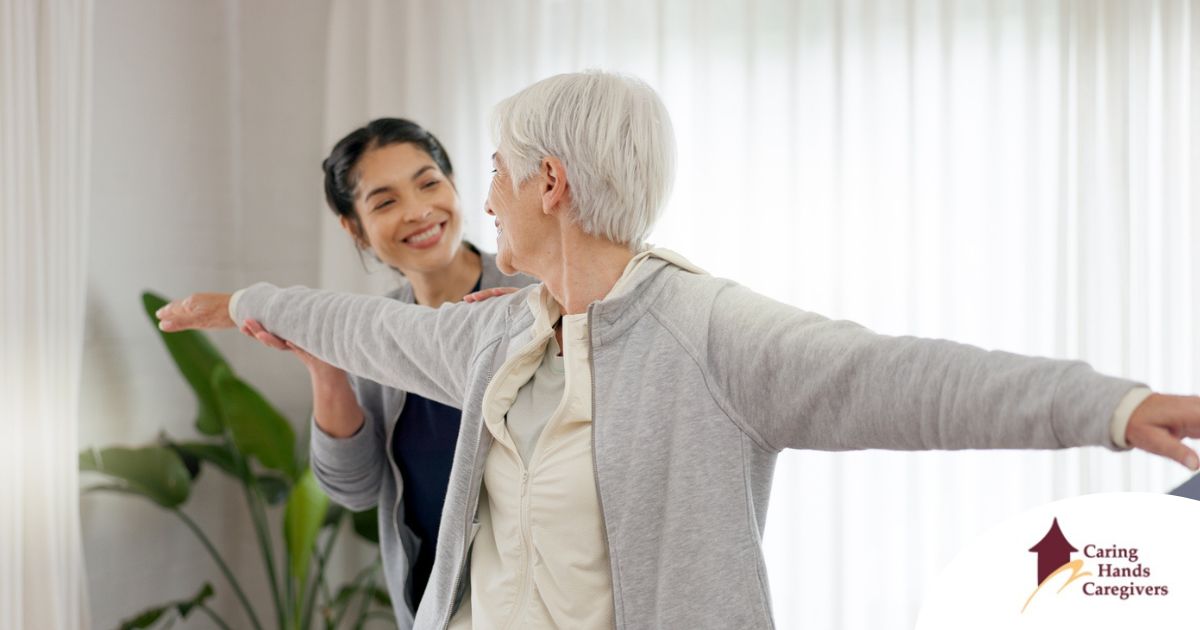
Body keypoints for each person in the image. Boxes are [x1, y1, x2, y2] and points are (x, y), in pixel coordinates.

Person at [157, 71, 1200, 630]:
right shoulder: (497, 332)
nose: (478, 201)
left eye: (492, 174)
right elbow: (363, 325)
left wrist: (1110, 408)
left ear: (550, 184)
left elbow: (906, 378)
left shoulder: (710, 332)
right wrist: (253, 302)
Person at [249, 118, 533, 627]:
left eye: (429, 183)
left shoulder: (533, 296)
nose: (419, 211)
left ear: (453, 185)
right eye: (385, 202)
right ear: (354, 227)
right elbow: (355, 488)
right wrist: (327, 368)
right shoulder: (375, 331)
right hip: (433, 608)